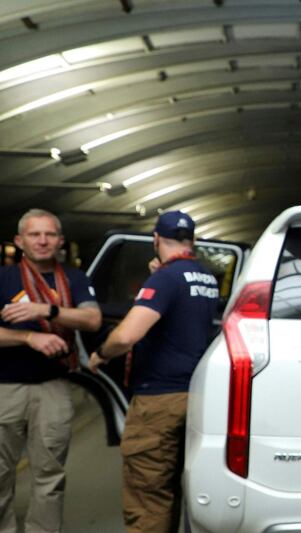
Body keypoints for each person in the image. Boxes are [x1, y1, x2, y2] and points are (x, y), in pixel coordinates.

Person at [87, 211, 218, 533]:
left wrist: (101, 353)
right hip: (196, 394)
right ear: (193, 240)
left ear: (156, 239)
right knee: (174, 485)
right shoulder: (205, 277)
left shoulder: (164, 278)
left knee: (148, 494)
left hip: (158, 400)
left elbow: (128, 335)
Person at [0, 209, 101, 533]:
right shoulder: (3, 279)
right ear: (19, 241)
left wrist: (46, 310)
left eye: (49, 234)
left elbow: (92, 320)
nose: (42, 241)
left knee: (49, 474)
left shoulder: (74, 278)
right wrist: (29, 336)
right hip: (6, 387)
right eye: (34, 234)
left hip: (54, 387)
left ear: (60, 240)